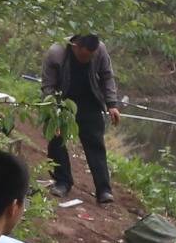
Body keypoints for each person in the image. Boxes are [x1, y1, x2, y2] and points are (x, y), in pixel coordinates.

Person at [41, 30, 123, 205]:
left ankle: (104, 190)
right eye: (84, 56)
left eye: (90, 57)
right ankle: (63, 182)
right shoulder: (56, 53)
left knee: (96, 144)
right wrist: (52, 114)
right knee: (56, 141)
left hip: (89, 102)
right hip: (62, 103)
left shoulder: (100, 50)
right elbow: (48, 87)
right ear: (75, 46)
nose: (87, 60)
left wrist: (112, 104)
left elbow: (107, 76)